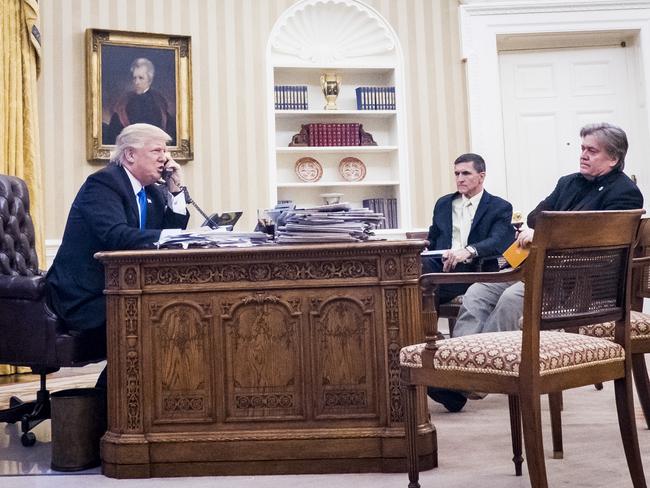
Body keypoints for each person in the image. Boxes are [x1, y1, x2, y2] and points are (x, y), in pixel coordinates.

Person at [432, 122, 644, 413]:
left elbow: (596, 240)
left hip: (577, 280)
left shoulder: (626, 193)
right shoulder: (568, 182)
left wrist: (548, 232)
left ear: (614, 158)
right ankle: (456, 370)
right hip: (537, 268)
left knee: (511, 300)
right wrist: (548, 228)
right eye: (582, 148)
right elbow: (534, 216)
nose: (583, 154)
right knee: (479, 292)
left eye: (592, 151)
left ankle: (475, 380)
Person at [46, 123, 190, 387]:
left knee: (174, 314)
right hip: (85, 296)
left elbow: (170, 234)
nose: (166, 158)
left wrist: (175, 190)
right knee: (154, 322)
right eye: (157, 150)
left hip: (122, 291)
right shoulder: (103, 183)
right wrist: (171, 237)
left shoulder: (153, 192)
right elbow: (116, 236)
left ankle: (148, 406)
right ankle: (112, 407)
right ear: (130, 155)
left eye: (166, 151)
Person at [423, 153, 515, 305]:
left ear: (481, 176)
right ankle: (421, 327)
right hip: (441, 267)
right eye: (456, 173)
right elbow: (432, 238)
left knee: (425, 287)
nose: (460, 179)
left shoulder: (499, 207)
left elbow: (498, 241)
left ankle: (426, 328)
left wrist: (468, 251)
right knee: (413, 278)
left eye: (466, 173)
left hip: (474, 271)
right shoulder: (444, 203)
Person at [104, 58, 177, 145]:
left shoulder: (159, 102)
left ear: (149, 80)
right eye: (134, 78)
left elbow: (168, 132)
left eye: (141, 78)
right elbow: (114, 131)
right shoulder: (124, 102)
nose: (136, 82)